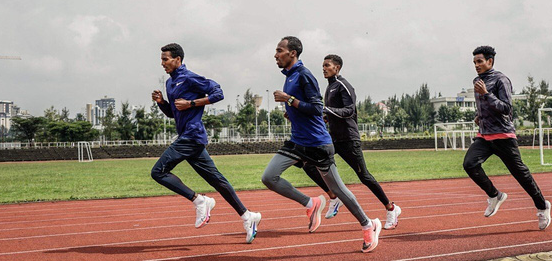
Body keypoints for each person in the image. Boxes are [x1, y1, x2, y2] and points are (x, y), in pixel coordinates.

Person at [261, 36, 382, 253]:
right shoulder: (289, 76)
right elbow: (302, 108)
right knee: (269, 177)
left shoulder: (304, 75)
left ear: (293, 53)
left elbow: (317, 108)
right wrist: (292, 111)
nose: (275, 55)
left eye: (279, 50)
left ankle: (368, 224)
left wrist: (289, 100)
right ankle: (311, 203)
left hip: (318, 144)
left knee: (338, 190)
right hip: (297, 141)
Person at [151, 43, 262, 243]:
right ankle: (248, 216)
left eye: (165, 59)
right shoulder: (170, 83)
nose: (162, 63)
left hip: (191, 136)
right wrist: (161, 103)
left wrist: (192, 103)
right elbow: (174, 114)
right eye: (161, 59)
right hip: (188, 136)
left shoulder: (190, 78)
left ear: (177, 59)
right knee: (217, 180)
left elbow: (218, 93)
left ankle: (199, 200)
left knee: (158, 172)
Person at [300, 54, 401, 230]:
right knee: (308, 164)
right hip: (332, 138)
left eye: (327, 65)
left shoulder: (343, 85)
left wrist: (325, 109)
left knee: (364, 176)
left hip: (349, 139)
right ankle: (333, 196)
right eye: (322, 65)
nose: (323, 68)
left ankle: (391, 208)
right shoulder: (330, 88)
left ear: (337, 68)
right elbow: (330, 114)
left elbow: (348, 111)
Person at [463, 45, 551, 230]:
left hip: (503, 136)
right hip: (485, 135)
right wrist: (480, 116)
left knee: (521, 175)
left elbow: (506, 108)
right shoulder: (477, 80)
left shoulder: (501, 80)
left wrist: (486, 94)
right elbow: (486, 106)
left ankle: (542, 206)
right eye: (474, 62)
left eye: (479, 61)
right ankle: (495, 195)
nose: (476, 65)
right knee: (469, 164)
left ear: (490, 61)